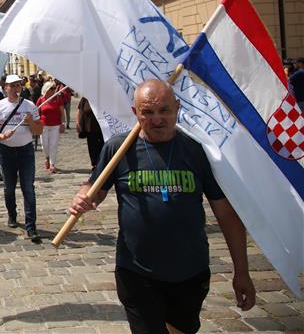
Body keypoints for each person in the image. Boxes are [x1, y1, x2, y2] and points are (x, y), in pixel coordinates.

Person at [69, 79, 255, 334]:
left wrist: (241, 271)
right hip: (136, 271)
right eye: (147, 112)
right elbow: (95, 190)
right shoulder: (119, 148)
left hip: (190, 269)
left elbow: (225, 213)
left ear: (177, 108)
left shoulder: (197, 151)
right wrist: (83, 197)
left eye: (164, 110)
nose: (157, 119)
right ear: (136, 113)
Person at [0, 74, 44, 243]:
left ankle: (31, 226)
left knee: (28, 188)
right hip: (6, 151)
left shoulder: (30, 106)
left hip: (26, 151)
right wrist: (2, 136)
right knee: (9, 188)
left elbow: (39, 131)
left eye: (17, 85)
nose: (14, 88)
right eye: (11, 86)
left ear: (21, 87)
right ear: (5, 88)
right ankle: (12, 214)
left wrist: (30, 121)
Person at [35, 81, 65, 173]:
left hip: (55, 125)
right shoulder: (41, 99)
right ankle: (47, 157)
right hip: (44, 126)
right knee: (45, 145)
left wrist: (63, 123)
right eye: (52, 88)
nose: (54, 90)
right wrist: (36, 123)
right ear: (47, 90)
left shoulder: (58, 99)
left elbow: (62, 112)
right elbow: (36, 112)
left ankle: (52, 164)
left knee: (53, 145)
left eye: (54, 88)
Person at [77, 96, 104, 169]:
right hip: (89, 127)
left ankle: (103, 162)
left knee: (102, 145)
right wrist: (78, 123)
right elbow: (79, 110)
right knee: (92, 146)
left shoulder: (102, 97)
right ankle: (95, 164)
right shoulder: (85, 98)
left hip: (102, 127)